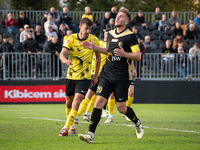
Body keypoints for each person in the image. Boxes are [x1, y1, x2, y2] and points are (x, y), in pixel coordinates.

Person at [78, 7, 144, 143]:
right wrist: (94, 47)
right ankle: (90, 134)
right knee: (99, 102)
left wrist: (124, 54)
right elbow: (109, 50)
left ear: (126, 21)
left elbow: (138, 56)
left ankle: (137, 123)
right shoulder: (111, 33)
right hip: (106, 74)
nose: (117, 18)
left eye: (120, 16)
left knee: (121, 108)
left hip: (121, 76)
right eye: (117, 16)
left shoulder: (131, 35)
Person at [58, 18, 101, 136]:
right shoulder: (71, 38)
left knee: (77, 100)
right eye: (86, 28)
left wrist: (96, 75)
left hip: (85, 77)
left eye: (90, 29)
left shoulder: (94, 40)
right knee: (68, 103)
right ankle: (72, 127)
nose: (88, 31)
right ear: (80, 27)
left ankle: (65, 127)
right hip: (71, 75)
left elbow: (98, 57)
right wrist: (66, 61)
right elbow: (62, 54)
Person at [74, 31, 108, 124]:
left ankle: (87, 114)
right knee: (89, 96)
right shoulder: (107, 48)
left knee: (93, 96)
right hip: (99, 74)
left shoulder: (97, 43)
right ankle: (77, 116)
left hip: (91, 72)